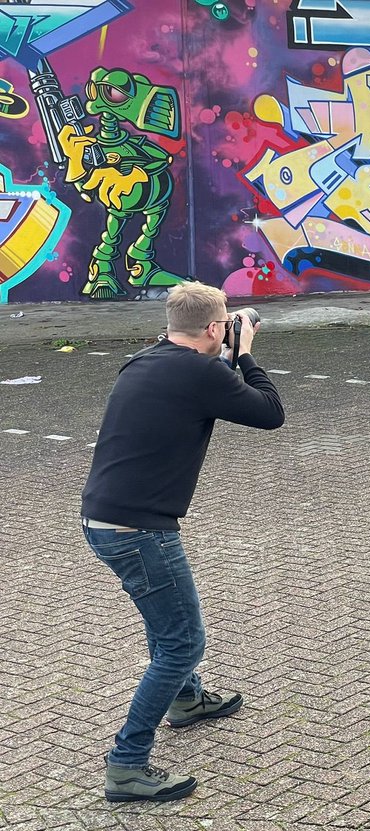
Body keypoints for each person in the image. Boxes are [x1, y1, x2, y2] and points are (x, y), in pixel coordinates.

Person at [82, 281, 285, 802]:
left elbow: (197, 374)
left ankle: (188, 700)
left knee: (165, 623)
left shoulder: (145, 360)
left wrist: (226, 351)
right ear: (215, 328)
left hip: (104, 520)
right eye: (224, 327)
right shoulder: (201, 371)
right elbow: (269, 412)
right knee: (182, 641)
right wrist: (246, 355)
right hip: (139, 530)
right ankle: (126, 764)